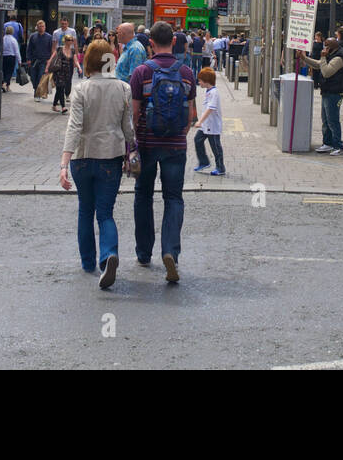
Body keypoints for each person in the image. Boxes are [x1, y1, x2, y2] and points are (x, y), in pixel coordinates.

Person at [60, 39, 135, 288]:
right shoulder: (124, 88)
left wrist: (63, 163)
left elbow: (74, 127)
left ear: (89, 61)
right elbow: (128, 129)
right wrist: (131, 153)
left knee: (85, 210)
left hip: (82, 158)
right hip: (110, 158)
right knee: (105, 213)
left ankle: (88, 262)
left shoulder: (81, 89)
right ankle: (109, 254)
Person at [130, 21, 197, 282]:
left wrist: (134, 142)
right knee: (174, 198)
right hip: (175, 147)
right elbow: (191, 114)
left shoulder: (141, 72)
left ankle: (144, 253)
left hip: (147, 144)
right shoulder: (187, 73)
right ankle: (171, 252)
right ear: (174, 42)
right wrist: (181, 135)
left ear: (151, 44)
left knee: (143, 196)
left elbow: (134, 114)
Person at [302, 36, 343, 155]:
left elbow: (326, 72)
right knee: (325, 119)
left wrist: (323, 56)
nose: (324, 47)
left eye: (327, 45)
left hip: (335, 92)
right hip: (327, 90)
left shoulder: (339, 58)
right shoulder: (331, 54)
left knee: (332, 120)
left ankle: (338, 145)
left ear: (332, 47)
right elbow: (319, 64)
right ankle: (327, 143)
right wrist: (304, 58)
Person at [191, 67, 225, 176]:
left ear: (206, 81)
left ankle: (220, 168)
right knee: (197, 140)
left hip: (212, 126)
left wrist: (200, 121)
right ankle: (204, 161)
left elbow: (210, 108)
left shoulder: (214, 92)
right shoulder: (208, 91)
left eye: (200, 80)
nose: (199, 82)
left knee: (216, 147)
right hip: (206, 125)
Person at [27, 19, 54, 101]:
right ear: (37, 27)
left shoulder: (49, 37)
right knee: (33, 77)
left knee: (40, 77)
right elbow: (29, 48)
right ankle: (35, 88)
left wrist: (49, 60)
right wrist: (28, 59)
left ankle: (37, 93)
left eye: (42, 26)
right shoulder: (33, 36)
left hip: (44, 61)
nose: (41, 28)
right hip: (34, 60)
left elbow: (51, 49)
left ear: (45, 27)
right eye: (39, 26)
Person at [50, 35, 77, 111]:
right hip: (58, 71)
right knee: (61, 88)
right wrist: (47, 67)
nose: (70, 41)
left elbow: (75, 60)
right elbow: (52, 57)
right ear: (64, 41)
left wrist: (79, 67)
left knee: (59, 89)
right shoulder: (59, 49)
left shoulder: (72, 50)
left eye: (71, 40)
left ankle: (54, 105)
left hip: (67, 72)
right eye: (68, 40)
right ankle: (63, 107)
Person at [0, 25, 21, 91]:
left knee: (4, 71)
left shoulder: (2, 39)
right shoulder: (14, 40)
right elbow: (17, 51)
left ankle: (7, 86)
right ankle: (5, 84)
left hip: (3, 57)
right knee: (9, 72)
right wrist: (19, 60)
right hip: (11, 57)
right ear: (12, 32)